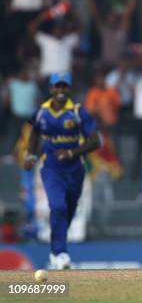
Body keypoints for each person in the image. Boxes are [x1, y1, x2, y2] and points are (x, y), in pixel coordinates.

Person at [23, 72, 101, 269]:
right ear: (50, 89)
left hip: (75, 170)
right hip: (51, 168)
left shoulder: (77, 112)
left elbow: (95, 141)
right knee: (58, 207)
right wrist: (31, 155)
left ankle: (55, 253)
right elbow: (34, 134)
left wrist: (71, 152)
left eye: (64, 86)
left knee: (68, 211)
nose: (60, 90)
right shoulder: (42, 112)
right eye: (57, 86)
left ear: (69, 89)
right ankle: (60, 253)